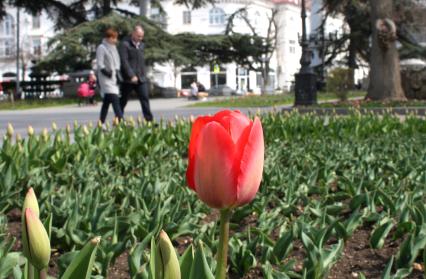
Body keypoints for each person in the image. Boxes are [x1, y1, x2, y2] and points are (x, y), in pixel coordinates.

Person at [119, 24, 153, 121]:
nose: (140, 38)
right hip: (128, 79)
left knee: (145, 98)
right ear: (133, 33)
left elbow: (141, 61)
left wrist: (144, 74)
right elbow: (124, 61)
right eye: (138, 36)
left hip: (141, 78)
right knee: (123, 100)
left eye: (142, 36)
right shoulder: (125, 44)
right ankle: (118, 120)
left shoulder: (142, 45)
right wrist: (131, 75)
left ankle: (149, 120)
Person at [96, 27, 123, 124]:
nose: (115, 40)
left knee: (106, 103)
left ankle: (101, 123)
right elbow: (100, 64)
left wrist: (118, 74)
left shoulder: (114, 48)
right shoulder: (101, 48)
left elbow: (117, 63)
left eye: (116, 38)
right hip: (105, 78)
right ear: (108, 38)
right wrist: (106, 72)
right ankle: (121, 121)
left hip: (113, 78)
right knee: (115, 100)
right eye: (113, 38)